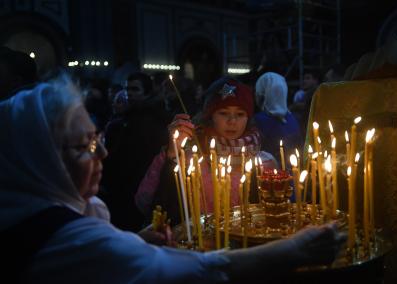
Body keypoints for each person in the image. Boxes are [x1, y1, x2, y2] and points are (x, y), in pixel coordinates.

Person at [0, 74, 346, 283]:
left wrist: (137, 241)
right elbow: (183, 270)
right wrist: (294, 250)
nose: (102, 154)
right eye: (83, 147)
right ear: (37, 159)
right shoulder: (59, 237)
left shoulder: (49, 209)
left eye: (98, 139)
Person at [135, 77, 279, 225]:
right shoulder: (189, 156)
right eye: (223, 113)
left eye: (240, 114)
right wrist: (172, 154)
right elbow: (144, 201)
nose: (232, 121)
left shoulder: (265, 163)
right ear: (210, 116)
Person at [101, 71, 169, 232]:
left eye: (135, 89)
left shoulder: (150, 118)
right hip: (122, 187)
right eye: (127, 89)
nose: (129, 93)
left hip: (137, 186)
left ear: (146, 92)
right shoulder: (129, 117)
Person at [254, 72, 303, 171]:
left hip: (270, 179)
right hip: (295, 177)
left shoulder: (258, 121)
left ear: (263, 94)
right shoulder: (294, 119)